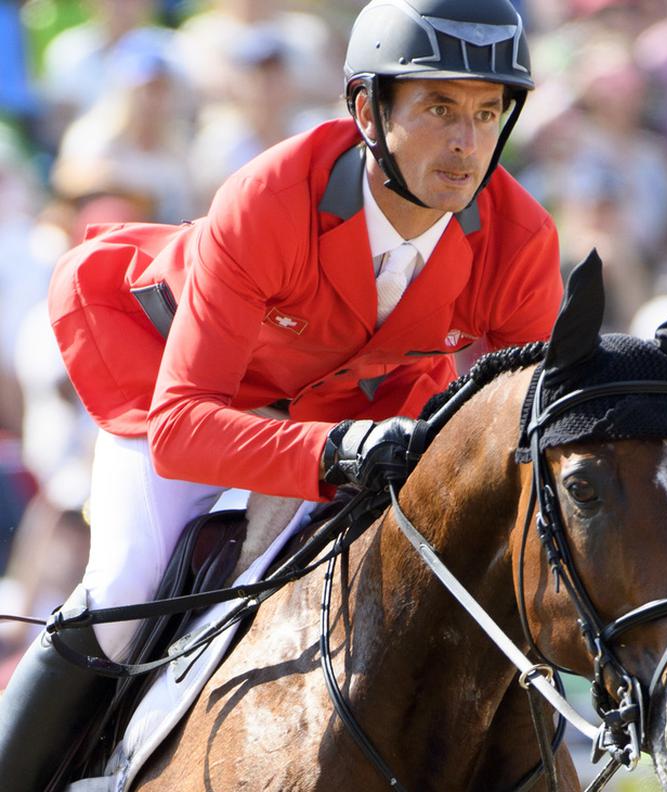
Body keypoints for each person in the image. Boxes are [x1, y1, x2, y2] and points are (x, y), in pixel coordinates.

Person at [0, 1, 564, 787]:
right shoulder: (272, 195)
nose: (467, 144)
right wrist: (336, 450)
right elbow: (185, 426)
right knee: (127, 583)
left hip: (357, 412)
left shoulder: (520, 240)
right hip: (182, 383)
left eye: (487, 111)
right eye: (439, 109)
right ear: (369, 110)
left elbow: (517, 438)